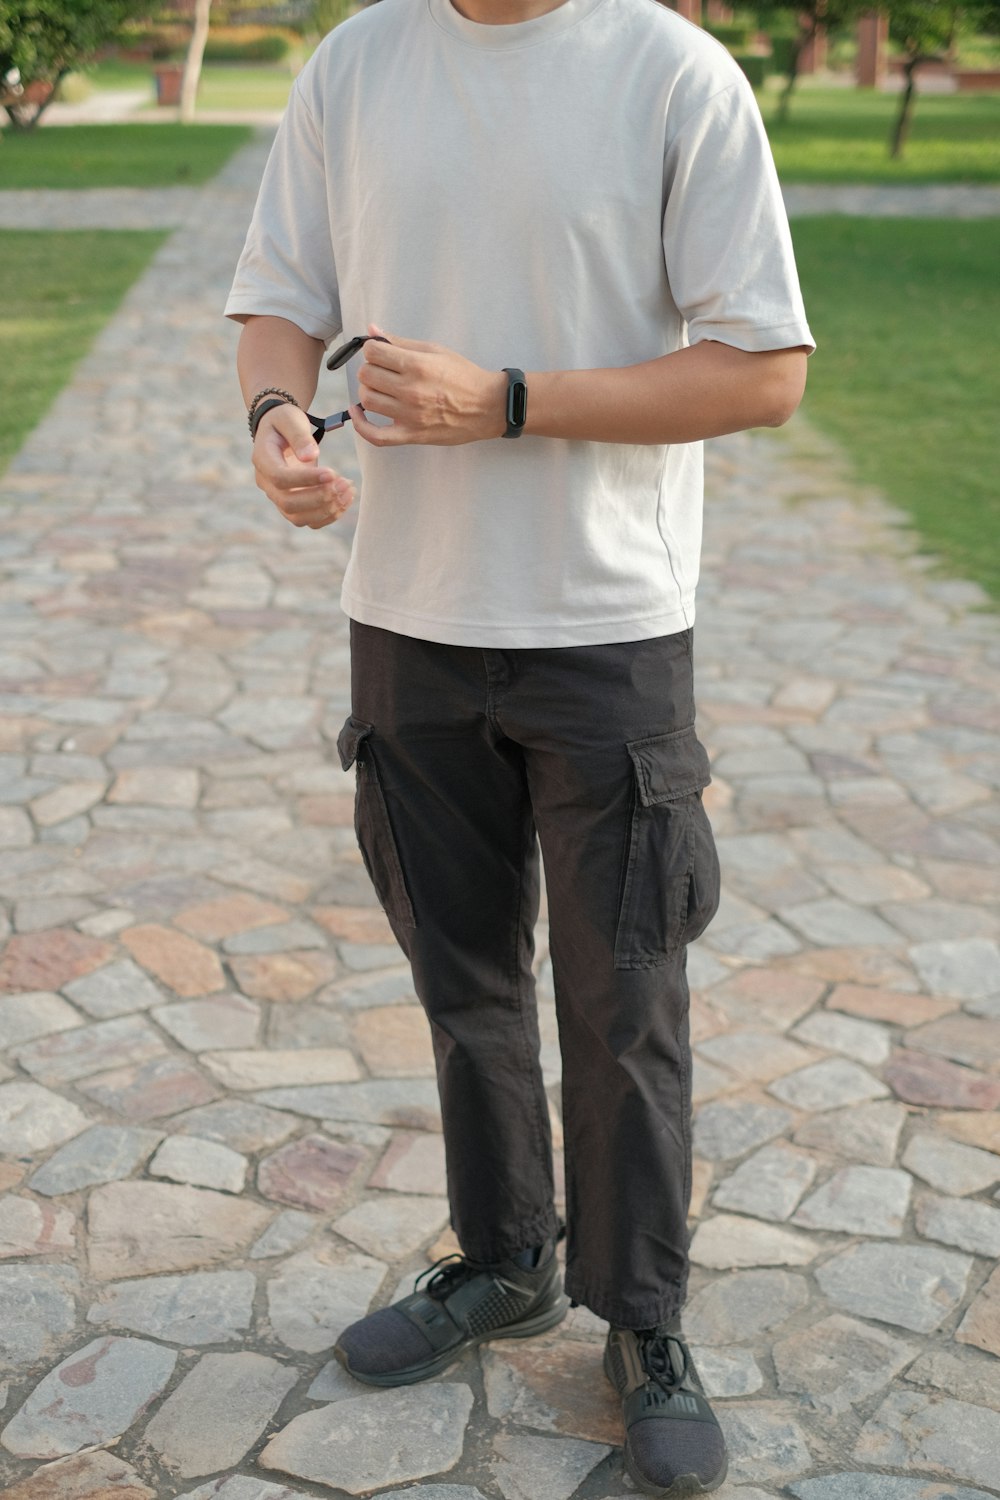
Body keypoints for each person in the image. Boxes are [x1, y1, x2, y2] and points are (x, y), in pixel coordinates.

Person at [226, 0, 813, 1491]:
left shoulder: (672, 72)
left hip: (606, 629)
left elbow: (764, 367)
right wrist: (277, 415)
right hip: (407, 622)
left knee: (626, 1005)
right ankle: (502, 1265)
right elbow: (278, 294)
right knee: (466, 979)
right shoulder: (355, 63)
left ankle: (649, 1321)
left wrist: (512, 403)